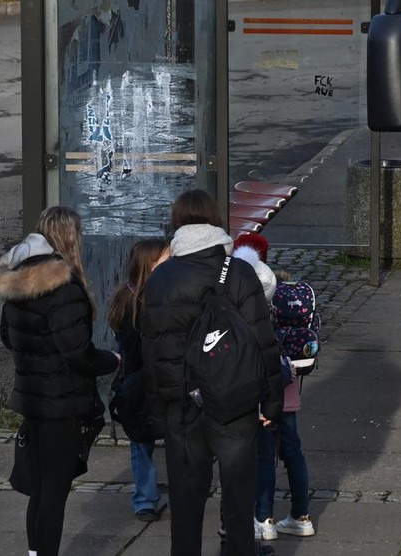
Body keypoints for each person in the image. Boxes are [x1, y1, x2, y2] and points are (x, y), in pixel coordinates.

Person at [143, 190, 285, 556]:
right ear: (215, 222)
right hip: (235, 403)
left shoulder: (161, 279)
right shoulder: (237, 272)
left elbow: (153, 350)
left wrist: (160, 407)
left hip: (183, 408)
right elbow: (262, 341)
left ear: (177, 223)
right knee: (238, 508)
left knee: (186, 511)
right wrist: (271, 401)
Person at [0, 205, 121, 556]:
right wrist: (112, 360)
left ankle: (35, 553)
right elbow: (77, 353)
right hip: (61, 401)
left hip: (32, 397)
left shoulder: (20, 279)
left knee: (41, 485)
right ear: (69, 237)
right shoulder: (63, 287)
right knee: (55, 489)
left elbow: (8, 335)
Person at [106, 238, 170, 521]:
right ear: (150, 266)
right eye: (165, 260)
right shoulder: (151, 302)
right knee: (172, 437)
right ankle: (157, 497)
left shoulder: (125, 298)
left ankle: (144, 500)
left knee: (140, 445)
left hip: (133, 382)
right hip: (154, 380)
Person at [254, 264, 316, 542]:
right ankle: (301, 516)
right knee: (294, 453)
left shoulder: (262, 309)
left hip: (265, 397)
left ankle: (263, 518)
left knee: (265, 457)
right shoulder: (300, 314)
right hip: (289, 396)